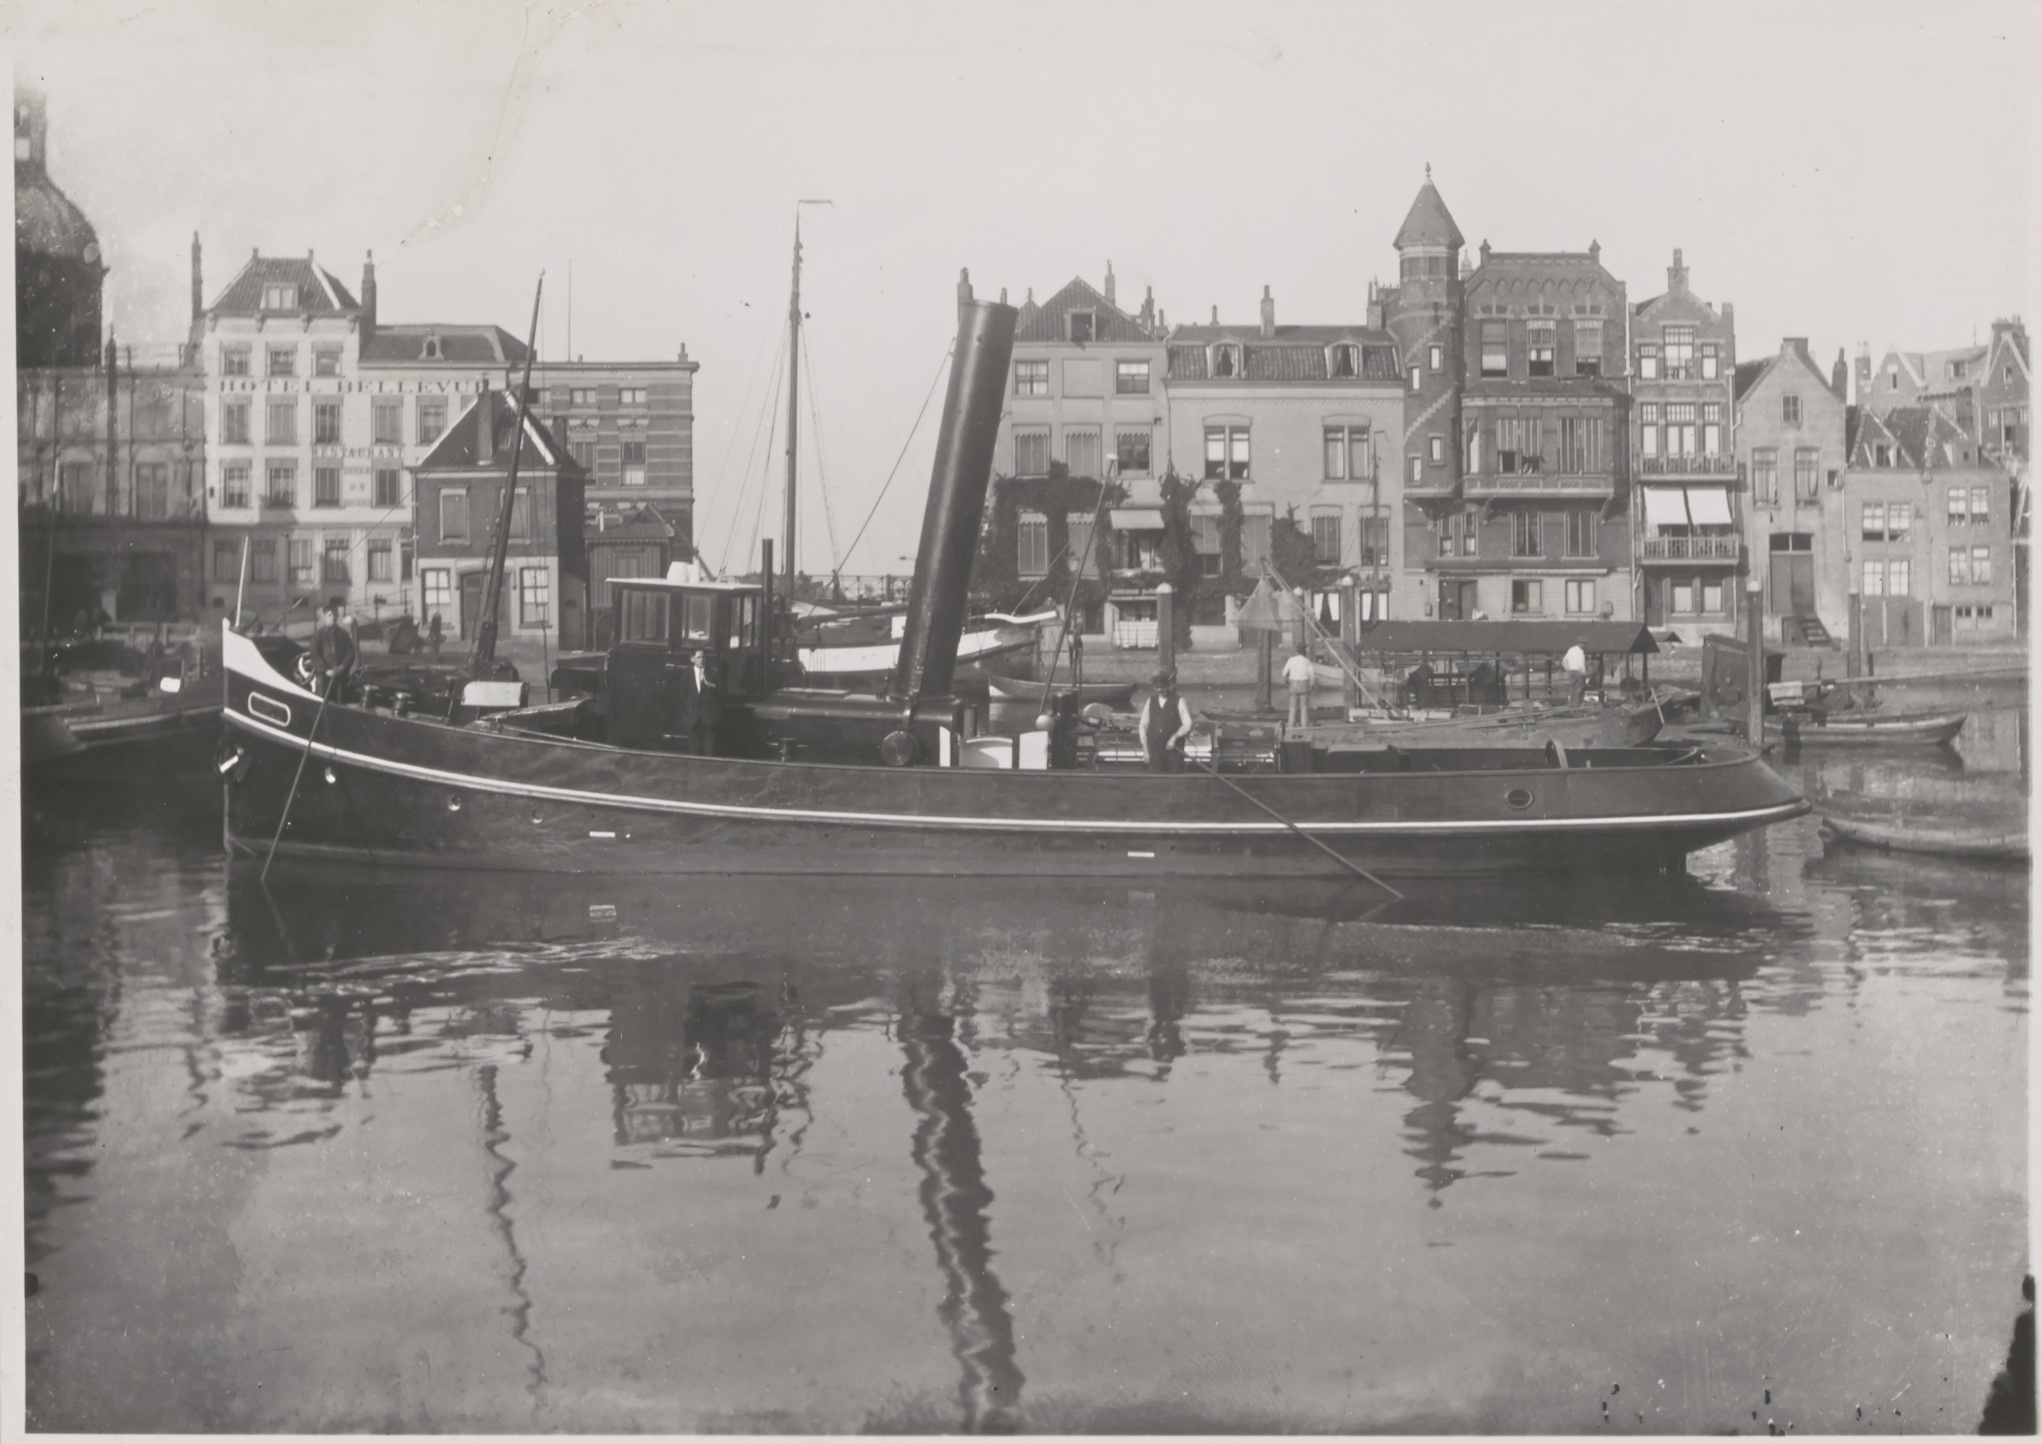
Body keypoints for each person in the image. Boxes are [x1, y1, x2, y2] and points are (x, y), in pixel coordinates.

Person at [1138, 668, 1193, 773]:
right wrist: (1145, 750)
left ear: (1167, 685)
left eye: (1162, 687)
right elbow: (1143, 725)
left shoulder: (1179, 700)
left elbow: (1187, 724)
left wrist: (1174, 737)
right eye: (1157, 687)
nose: (1160, 690)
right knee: (1157, 777)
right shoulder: (1150, 701)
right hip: (1155, 749)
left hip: (1174, 750)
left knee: (1175, 776)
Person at [311, 600, 356, 695]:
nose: (333, 617)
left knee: (340, 698)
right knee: (322, 698)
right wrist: (326, 670)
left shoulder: (343, 634)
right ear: (324, 617)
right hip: (324, 676)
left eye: (335, 615)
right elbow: (315, 655)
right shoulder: (318, 635)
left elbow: (350, 653)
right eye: (330, 615)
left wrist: (342, 667)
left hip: (340, 675)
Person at [1280, 643, 1316, 731]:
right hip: (1304, 684)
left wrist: (1286, 682)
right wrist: (1311, 685)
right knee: (1304, 708)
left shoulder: (1291, 660)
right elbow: (1312, 676)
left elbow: (1284, 674)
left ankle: (1290, 727)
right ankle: (1304, 727)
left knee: (1292, 708)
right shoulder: (1307, 661)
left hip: (1293, 684)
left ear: (1296, 650)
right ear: (1305, 651)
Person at [1563, 641, 1589, 707]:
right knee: (1580, 689)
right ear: (1581, 644)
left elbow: (1564, 661)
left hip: (1571, 672)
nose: (1584, 646)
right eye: (1584, 644)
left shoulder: (1571, 649)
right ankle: (1577, 705)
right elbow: (1581, 664)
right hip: (1578, 672)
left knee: (1572, 689)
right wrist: (1584, 673)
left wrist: (1568, 670)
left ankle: (1571, 705)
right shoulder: (1580, 652)